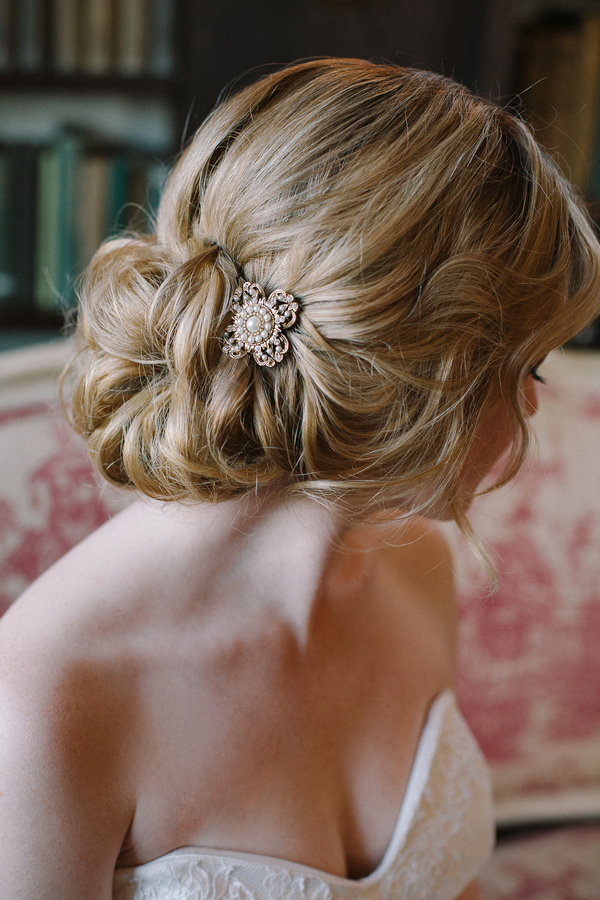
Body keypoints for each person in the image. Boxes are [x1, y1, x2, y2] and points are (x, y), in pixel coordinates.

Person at [0, 59, 599, 900]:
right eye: (525, 363)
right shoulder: (51, 692)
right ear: (417, 382)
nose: (540, 401)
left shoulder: (418, 565)